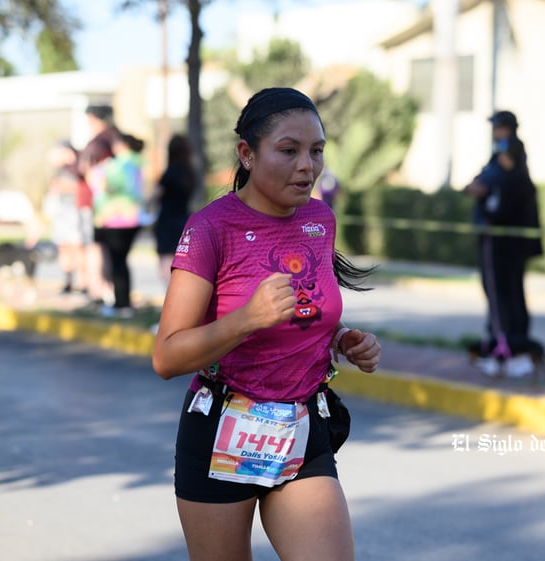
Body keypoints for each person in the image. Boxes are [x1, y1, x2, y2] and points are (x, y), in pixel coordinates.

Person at [151, 87, 381, 561]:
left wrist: (340, 338)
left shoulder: (319, 219)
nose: (308, 166)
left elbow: (304, 309)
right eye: (289, 150)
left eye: (317, 151)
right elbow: (166, 356)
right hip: (221, 428)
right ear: (247, 155)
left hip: (301, 426)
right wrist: (246, 319)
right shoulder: (211, 228)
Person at [463, 110, 543, 377]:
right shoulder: (501, 155)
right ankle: (510, 349)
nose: (496, 134)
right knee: (507, 296)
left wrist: (483, 186)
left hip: (500, 241)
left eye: (499, 128)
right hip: (504, 241)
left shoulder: (510, 152)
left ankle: (507, 350)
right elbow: (483, 181)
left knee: (501, 298)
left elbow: (502, 181)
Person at [92, 131, 145, 317]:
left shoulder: (119, 165)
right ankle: (123, 301)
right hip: (132, 218)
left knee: (118, 263)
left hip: (117, 219)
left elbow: (110, 187)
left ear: (121, 145)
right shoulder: (138, 162)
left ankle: (121, 303)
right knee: (122, 262)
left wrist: (99, 173)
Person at [78, 104, 120, 307]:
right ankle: (108, 291)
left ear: (94, 119)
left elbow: (85, 168)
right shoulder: (115, 138)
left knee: (95, 248)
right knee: (107, 250)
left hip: (95, 203)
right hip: (111, 205)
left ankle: (98, 291)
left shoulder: (100, 141)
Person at [152, 134, 197, 291]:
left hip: (167, 220)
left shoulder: (169, 173)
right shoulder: (190, 173)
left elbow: (154, 196)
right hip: (183, 219)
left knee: (166, 260)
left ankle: (171, 295)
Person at [43, 140, 85, 295]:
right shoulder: (60, 171)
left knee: (77, 246)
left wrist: (63, 187)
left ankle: (83, 282)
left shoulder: (79, 166)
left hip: (76, 211)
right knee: (64, 246)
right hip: (62, 212)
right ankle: (68, 281)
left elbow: (80, 187)